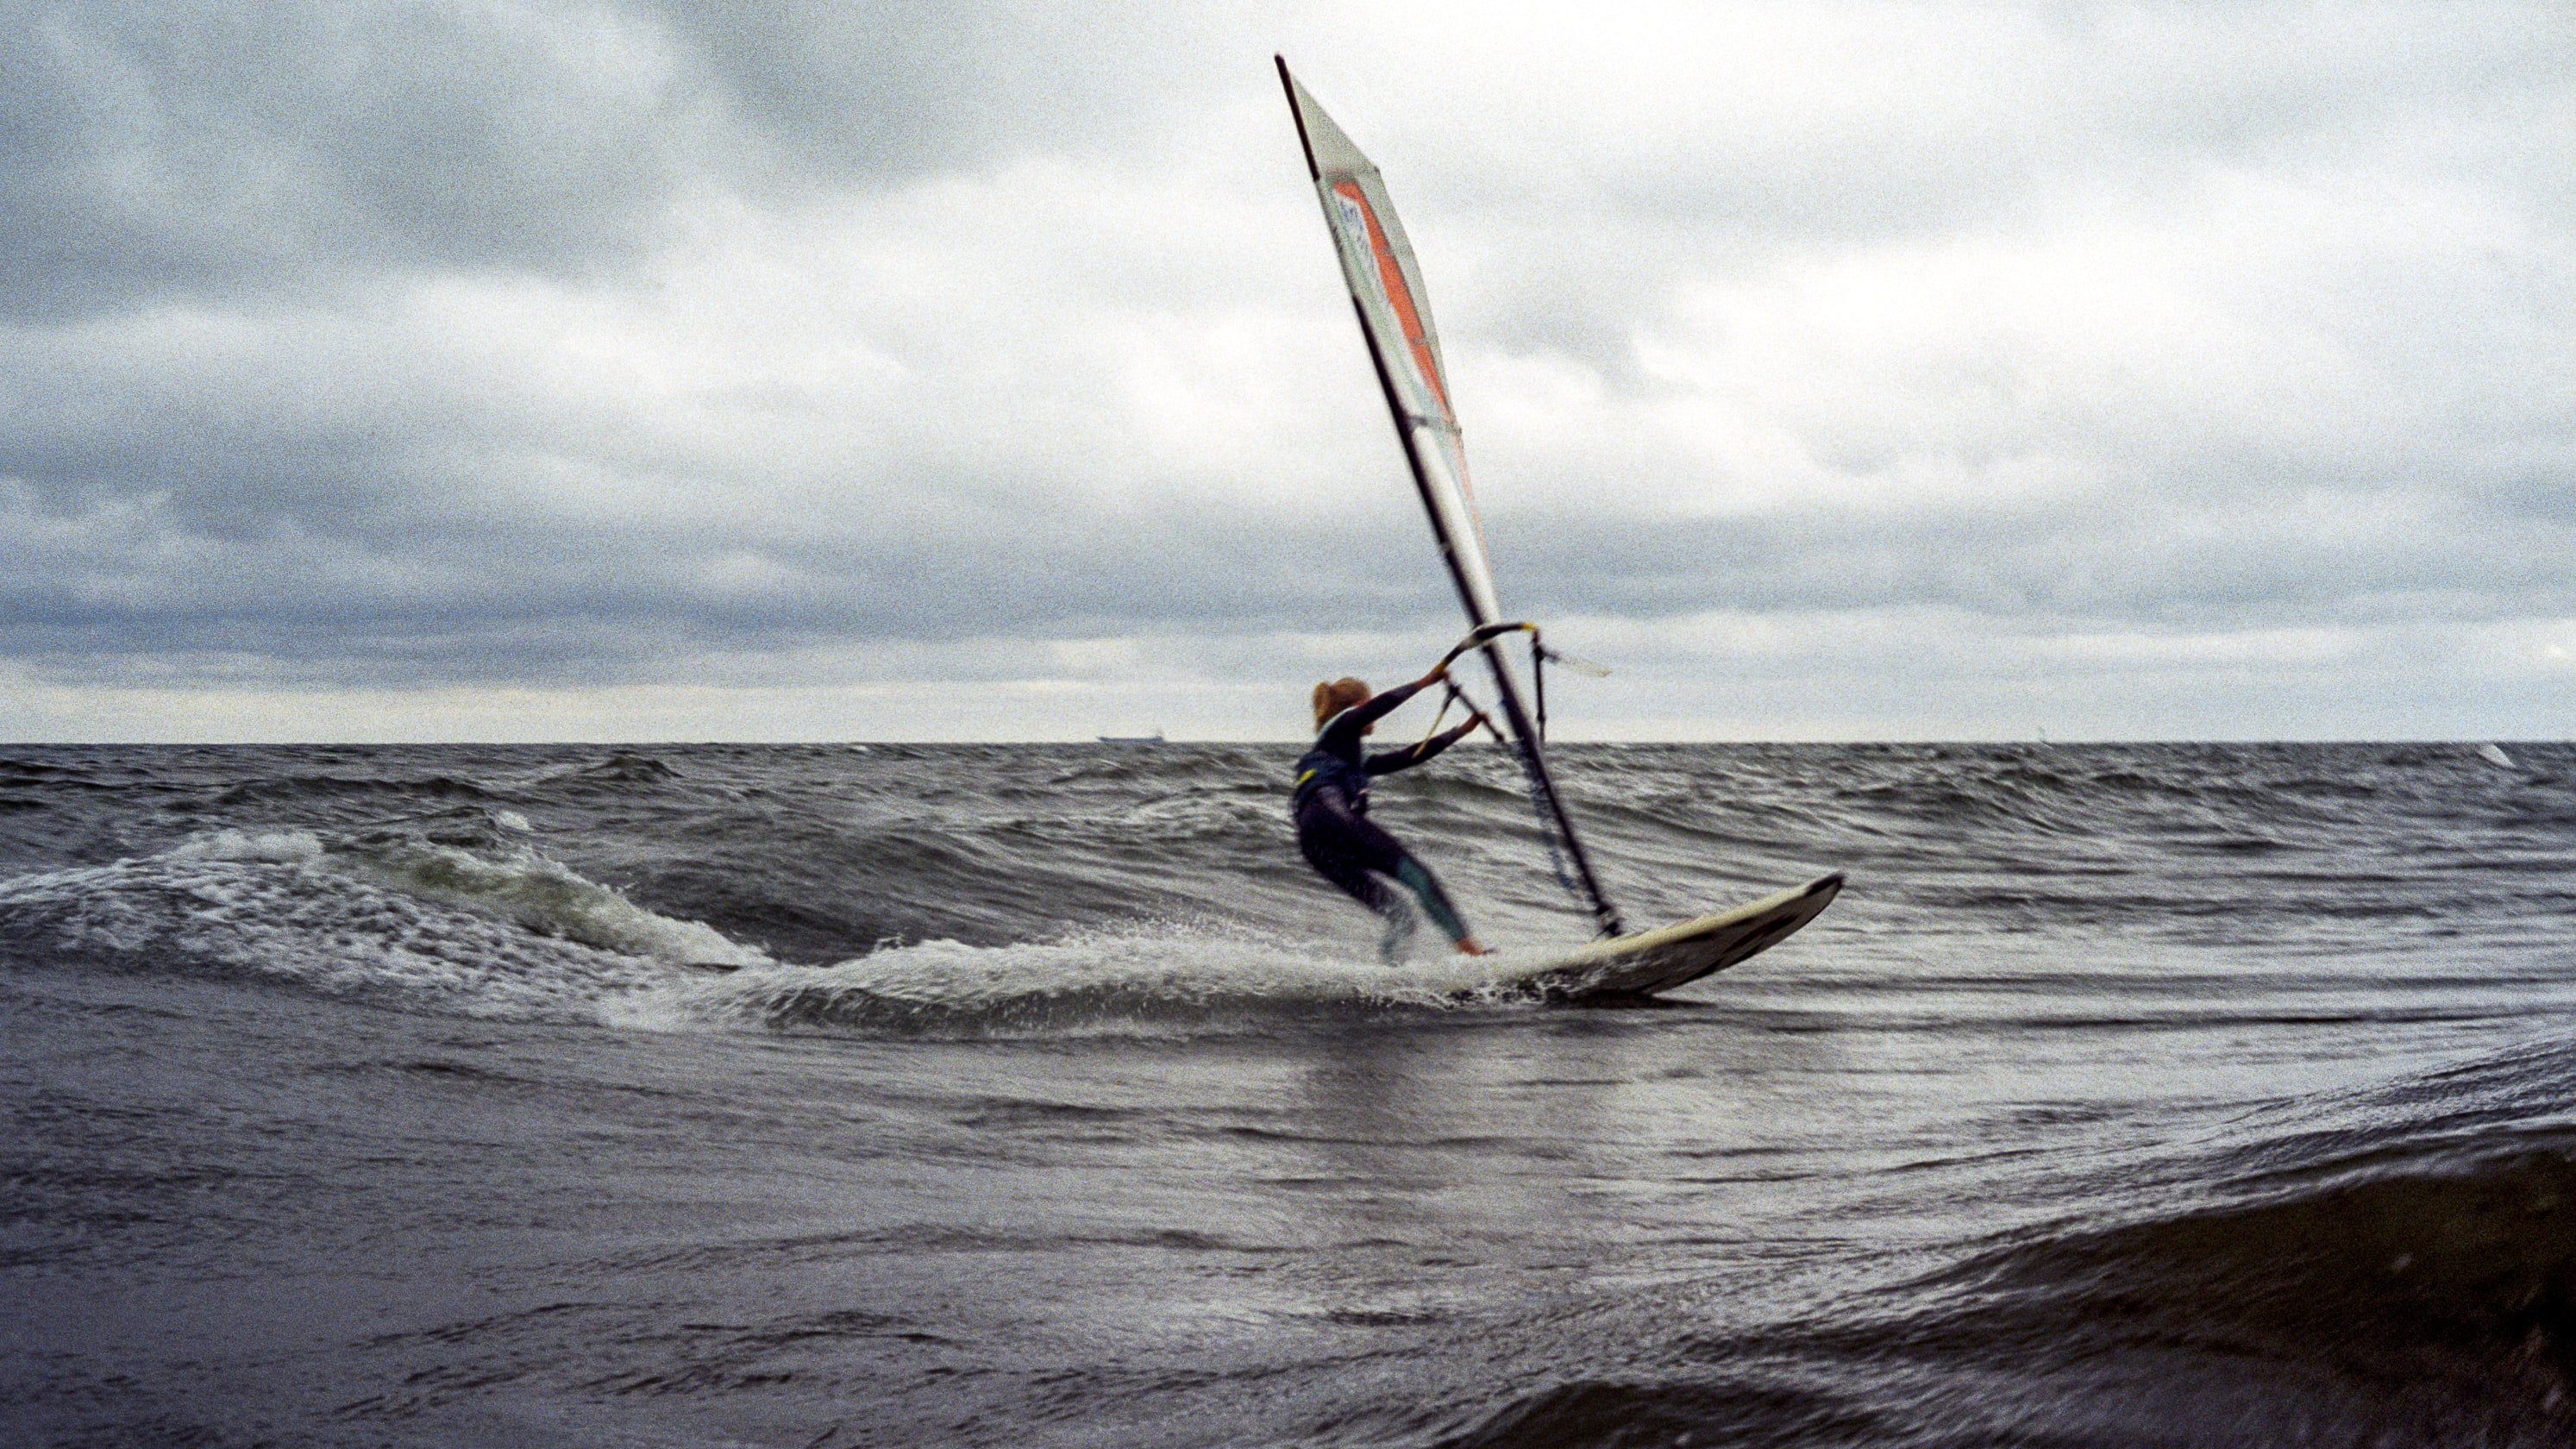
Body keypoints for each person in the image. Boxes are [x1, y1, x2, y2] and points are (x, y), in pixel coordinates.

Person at [1293, 665, 1493, 962]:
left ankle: (1387, 976)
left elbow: (1404, 758)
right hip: (1333, 817)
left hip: (1315, 845)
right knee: (1419, 877)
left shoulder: (1346, 753)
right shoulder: (1341, 726)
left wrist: (1459, 731)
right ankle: (1474, 954)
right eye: (1368, 704)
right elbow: (1376, 708)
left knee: (1400, 915)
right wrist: (1423, 682)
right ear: (1361, 704)